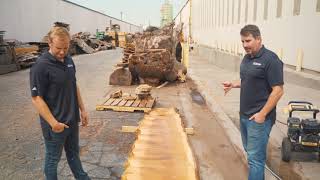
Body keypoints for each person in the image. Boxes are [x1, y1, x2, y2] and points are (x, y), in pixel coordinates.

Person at [222, 24, 284, 180]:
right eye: (242, 41)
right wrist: (235, 84)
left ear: (258, 39)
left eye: (248, 41)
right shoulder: (247, 57)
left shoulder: (271, 60)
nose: (244, 45)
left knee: (256, 160)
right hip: (244, 116)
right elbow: (248, 79)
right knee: (251, 155)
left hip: (258, 119)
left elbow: (278, 90)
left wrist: (262, 115)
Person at [30, 27, 90, 180]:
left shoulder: (69, 61)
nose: (63, 52)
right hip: (55, 125)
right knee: (52, 160)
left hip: (72, 120)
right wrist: (53, 123)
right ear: (49, 43)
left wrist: (83, 110)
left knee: (73, 155)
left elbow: (73, 85)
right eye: (58, 48)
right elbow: (36, 98)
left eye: (66, 48)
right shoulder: (40, 66)